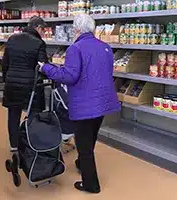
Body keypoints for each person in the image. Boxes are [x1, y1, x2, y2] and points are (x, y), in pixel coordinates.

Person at [39, 13, 121, 194]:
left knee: (84, 146)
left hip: (85, 104)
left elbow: (69, 76)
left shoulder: (75, 49)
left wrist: (46, 68)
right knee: (90, 139)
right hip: (103, 102)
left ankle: (91, 185)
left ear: (76, 29)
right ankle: (82, 164)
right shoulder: (106, 47)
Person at [2, 16, 48, 152]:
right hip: (31, 86)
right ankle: (32, 144)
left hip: (12, 83)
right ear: (38, 28)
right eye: (43, 30)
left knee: (13, 114)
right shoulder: (39, 43)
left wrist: (7, 79)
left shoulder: (12, 39)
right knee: (34, 114)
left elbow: (5, 63)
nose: (44, 33)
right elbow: (42, 66)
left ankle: (14, 145)